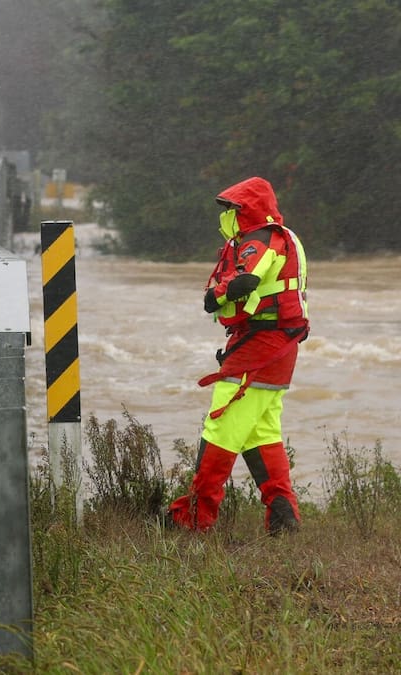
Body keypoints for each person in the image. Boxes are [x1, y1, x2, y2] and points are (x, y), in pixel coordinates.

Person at [167, 176, 308, 535]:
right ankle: (283, 517)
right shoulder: (285, 236)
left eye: (230, 209)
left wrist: (215, 295)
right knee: (262, 431)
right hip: (277, 347)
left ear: (245, 210)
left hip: (260, 347)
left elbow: (247, 281)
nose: (226, 216)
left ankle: (195, 518)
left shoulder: (260, 240)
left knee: (221, 426)